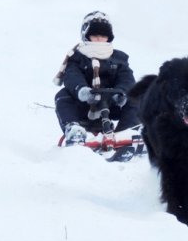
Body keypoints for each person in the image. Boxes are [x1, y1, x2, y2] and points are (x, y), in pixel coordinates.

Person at [53, 11, 140, 144]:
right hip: (85, 105)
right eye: (95, 35)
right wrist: (82, 90)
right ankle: (74, 129)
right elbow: (72, 76)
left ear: (109, 37)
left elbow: (127, 78)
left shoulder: (119, 58)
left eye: (103, 35)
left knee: (136, 98)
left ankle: (126, 132)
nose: (99, 39)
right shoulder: (77, 57)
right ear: (86, 36)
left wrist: (121, 92)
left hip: (112, 103)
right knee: (62, 95)